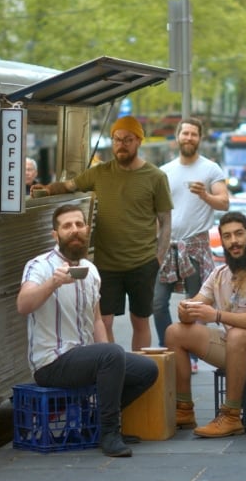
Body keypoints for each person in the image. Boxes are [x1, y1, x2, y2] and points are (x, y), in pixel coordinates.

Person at [16, 203, 159, 457]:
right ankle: (109, 432)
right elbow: (23, 305)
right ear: (55, 234)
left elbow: (96, 321)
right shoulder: (40, 266)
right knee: (111, 354)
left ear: (87, 230)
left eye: (79, 225)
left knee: (147, 369)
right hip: (51, 361)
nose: (74, 231)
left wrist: (105, 350)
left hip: (83, 357)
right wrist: (53, 283)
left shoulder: (91, 270)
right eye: (67, 226)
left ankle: (92, 422)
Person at [31, 115, 173, 350]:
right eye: (117, 139)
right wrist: (46, 190)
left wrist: (159, 258)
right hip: (107, 264)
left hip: (143, 262)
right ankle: (118, 366)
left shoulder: (156, 177)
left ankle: (139, 374)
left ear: (138, 141)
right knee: (104, 321)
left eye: (128, 139)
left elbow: (166, 221)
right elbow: (70, 186)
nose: (121, 145)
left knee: (140, 321)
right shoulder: (99, 173)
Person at [165, 211, 246, 438]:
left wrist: (216, 315)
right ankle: (184, 409)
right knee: (175, 333)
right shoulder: (219, 274)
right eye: (227, 236)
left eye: (239, 234)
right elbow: (196, 305)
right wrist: (186, 310)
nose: (234, 241)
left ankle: (232, 416)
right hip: (236, 347)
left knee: (237, 335)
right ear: (222, 241)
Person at [153, 118, 229, 367]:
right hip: (167, 246)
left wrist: (205, 195)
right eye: (185, 133)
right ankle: (170, 351)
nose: (188, 138)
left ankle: (193, 354)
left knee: (195, 303)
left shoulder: (211, 169)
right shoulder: (164, 171)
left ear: (200, 138)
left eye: (193, 134)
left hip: (195, 246)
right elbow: (157, 212)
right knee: (157, 302)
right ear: (177, 137)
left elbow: (224, 202)